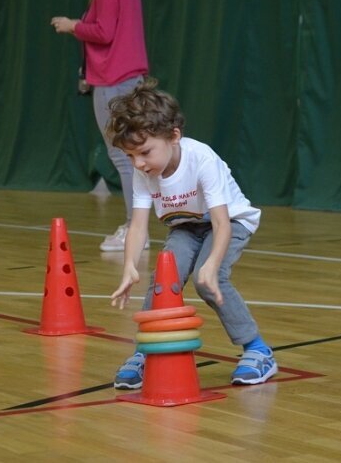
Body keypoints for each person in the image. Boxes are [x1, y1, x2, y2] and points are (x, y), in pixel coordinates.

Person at [105, 78, 277, 389]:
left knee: (209, 280)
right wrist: (130, 265)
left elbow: (222, 224)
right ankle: (145, 354)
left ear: (174, 136)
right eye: (131, 157)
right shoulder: (144, 172)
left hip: (230, 222)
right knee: (162, 282)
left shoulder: (201, 159)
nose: (138, 164)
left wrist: (210, 265)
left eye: (144, 152)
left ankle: (258, 350)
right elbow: (138, 224)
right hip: (186, 225)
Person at [51, 0, 149, 252]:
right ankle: (138, 228)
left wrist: (72, 26)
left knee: (124, 157)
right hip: (129, 79)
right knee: (132, 158)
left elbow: (104, 32)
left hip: (114, 81)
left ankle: (137, 230)